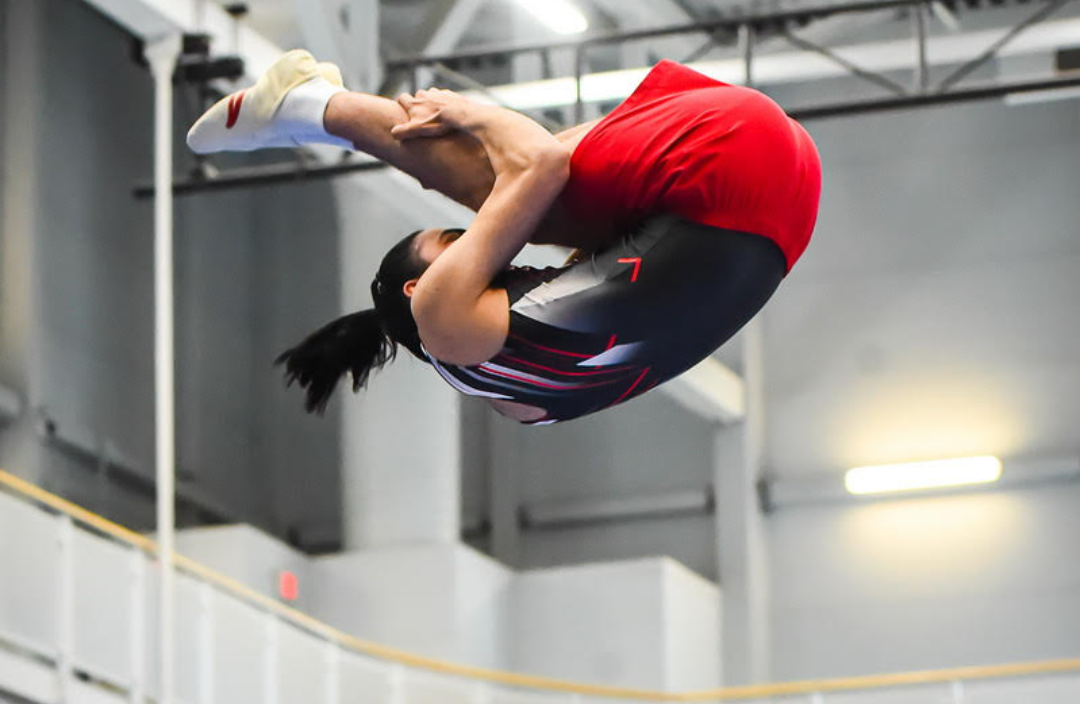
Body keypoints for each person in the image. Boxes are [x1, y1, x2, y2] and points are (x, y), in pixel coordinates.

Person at [188, 50, 821, 424]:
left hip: (781, 208)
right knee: (529, 193)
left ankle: (314, 105)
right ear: (420, 285)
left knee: (544, 204)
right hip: (733, 168)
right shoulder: (447, 323)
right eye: (456, 242)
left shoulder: (518, 396)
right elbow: (540, 163)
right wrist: (474, 113)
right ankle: (315, 107)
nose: (485, 242)